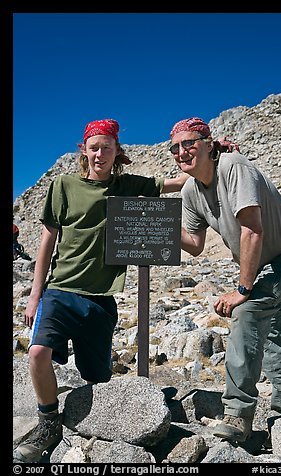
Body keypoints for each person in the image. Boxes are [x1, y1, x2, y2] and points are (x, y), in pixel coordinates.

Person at [13, 118, 189, 463]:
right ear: (84, 150)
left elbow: (182, 181)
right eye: (94, 147)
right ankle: (48, 423)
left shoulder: (128, 186)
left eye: (107, 147)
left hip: (101, 300)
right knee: (37, 353)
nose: (100, 154)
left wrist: (215, 155)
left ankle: (103, 429)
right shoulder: (63, 185)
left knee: (98, 378)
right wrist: (35, 294)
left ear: (116, 152)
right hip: (60, 291)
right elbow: (48, 241)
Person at [168, 117, 281, 443]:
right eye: (175, 147)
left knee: (247, 312)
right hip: (261, 267)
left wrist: (242, 290)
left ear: (208, 144)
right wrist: (160, 222)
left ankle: (237, 415)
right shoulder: (191, 191)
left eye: (190, 143)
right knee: (273, 330)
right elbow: (194, 244)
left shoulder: (233, 166)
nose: (182, 151)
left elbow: (252, 229)